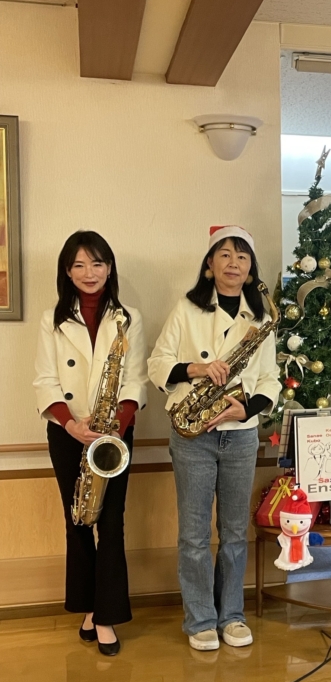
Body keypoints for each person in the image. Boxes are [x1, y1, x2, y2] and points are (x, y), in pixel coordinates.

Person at [148, 226, 280, 652]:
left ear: (250, 268)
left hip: (240, 435)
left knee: (235, 532)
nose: (233, 263)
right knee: (193, 534)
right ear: (209, 265)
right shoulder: (186, 310)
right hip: (193, 434)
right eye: (224, 254)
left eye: (242, 256)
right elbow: (157, 364)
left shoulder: (261, 319)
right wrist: (197, 369)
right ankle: (201, 619)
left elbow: (270, 379)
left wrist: (248, 409)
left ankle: (232, 615)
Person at [33, 230, 148, 656]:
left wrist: (116, 425)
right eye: (79, 265)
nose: (89, 272)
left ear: (109, 268)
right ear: (67, 271)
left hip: (114, 434)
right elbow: (45, 380)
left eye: (97, 263)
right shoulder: (51, 319)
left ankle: (106, 616)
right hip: (68, 432)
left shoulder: (129, 318)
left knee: (111, 522)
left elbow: (135, 379)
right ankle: (88, 607)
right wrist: (70, 425)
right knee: (78, 520)